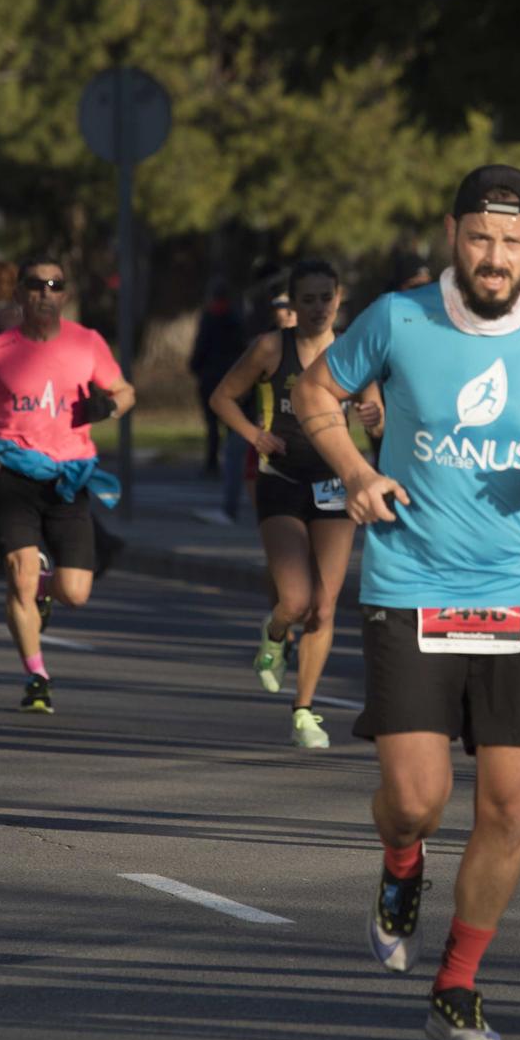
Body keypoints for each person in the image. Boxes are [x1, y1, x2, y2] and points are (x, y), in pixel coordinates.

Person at [292, 164, 520, 1040]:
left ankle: (458, 980)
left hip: (516, 590)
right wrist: (360, 473)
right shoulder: (399, 318)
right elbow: (313, 394)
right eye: (480, 238)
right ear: (455, 234)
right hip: (410, 585)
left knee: (508, 808)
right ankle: (402, 864)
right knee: (416, 799)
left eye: (513, 242)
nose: (495, 257)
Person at [208, 259, 378, 749]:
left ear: (339, 299)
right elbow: (222, 398)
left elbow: (376, 413)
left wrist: (372, 413)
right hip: (280, 479)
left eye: (327, 297)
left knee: (324, 609)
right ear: (293, 303)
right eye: (308, 299)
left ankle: (304, 710)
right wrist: (253, 436)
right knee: (297, 601)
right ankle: (275, 631)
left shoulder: (353, 352)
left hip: (334, 482)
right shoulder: (269, 347)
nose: (319, 307)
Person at [0, 258, 133, 715]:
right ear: (20, 294)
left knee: (75, 592)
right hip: (13, 473)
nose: (45, 292)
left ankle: (43, 591)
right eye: (35, 285)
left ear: (65, 295)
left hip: (70, 478)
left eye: (55, 285)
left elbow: (126, 391)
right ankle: (37, 676)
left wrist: (106, 409)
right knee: (19, 575)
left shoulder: (87, 342)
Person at [190, 278, 248, 479]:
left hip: (211, 376)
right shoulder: (235, 319)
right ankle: (231, 461)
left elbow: (201, 346)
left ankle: (213, 462)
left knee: (212, 424)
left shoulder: (210, 318)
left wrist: (196, 367)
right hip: (230, 375)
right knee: (230, 423)